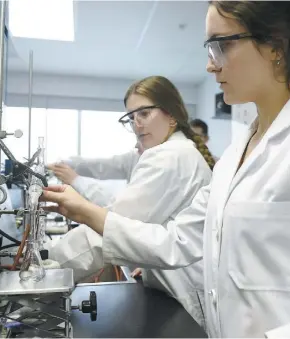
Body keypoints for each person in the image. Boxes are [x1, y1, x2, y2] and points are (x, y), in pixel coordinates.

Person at [40, 2, 290, 337]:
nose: (211, 65)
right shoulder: (238, 151)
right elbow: (176, 242)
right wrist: (87, 213)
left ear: (276, 46)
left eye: (220, 46)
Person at [48, 75, 215, 330]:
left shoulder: (169, 157)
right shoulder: (176, 152)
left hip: (185, 291)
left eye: (144, 114)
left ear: (171, 115)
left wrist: (49, 267)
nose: (137, 124)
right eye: (131, 118)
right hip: (179, 282)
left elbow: (110, 228)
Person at [48, 141, 143, 206]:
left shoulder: (152, 170)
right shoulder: (136, 157)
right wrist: (66, 163)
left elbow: (116, 206)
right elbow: (102, 165)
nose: (136, 145)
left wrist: (76, 180)